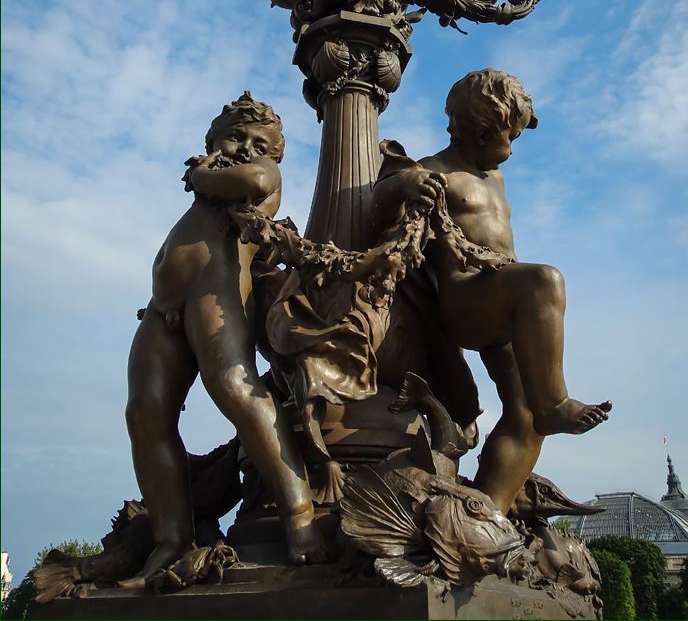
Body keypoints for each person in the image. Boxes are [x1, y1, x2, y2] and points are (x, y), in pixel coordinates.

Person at [371, 69, 611, 513]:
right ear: (482, 131)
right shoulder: (434, 171)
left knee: (525, 416)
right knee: (546, 279)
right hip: (465, 300)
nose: (512, 149)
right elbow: (375, 201)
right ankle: (555, 401)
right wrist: (403, 184)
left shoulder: (494, 179)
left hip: (507, 301)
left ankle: (487, 516)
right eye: (510, 137)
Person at [122, 92, 325, 586]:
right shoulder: (206, 197)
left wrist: (199, 174)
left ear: (274, 157)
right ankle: (172, 538)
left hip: (214, 300)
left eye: (261, 144)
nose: (246, 148)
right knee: (145, 412)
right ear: (211, 140)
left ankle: (299, 516)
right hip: (162, 312)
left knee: (236, 387)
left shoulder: (255, 182)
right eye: (235, 136)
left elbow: (253, 179)